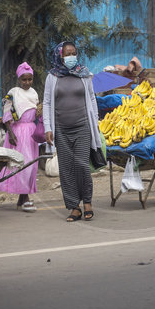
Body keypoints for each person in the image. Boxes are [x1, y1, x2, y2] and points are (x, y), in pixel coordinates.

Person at [43, 41, 101, 222]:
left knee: (82, 165)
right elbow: (47, 103)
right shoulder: (52, 77)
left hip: (83, 126)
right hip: (61, 129)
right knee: (66, 169)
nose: (71, 57)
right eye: (67, 54)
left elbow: (91, 98)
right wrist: (48, 128)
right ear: (60, 56)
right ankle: (74, 207)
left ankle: (88, 203)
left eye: (73, 53)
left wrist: (95, 123)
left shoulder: (84, 74)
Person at [0, 62, 41, 212]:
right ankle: (26, 198)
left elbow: (36, 112)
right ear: (19, 79)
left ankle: (22, 198)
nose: (27, 82)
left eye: (29, 79)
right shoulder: (13, 93)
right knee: (22, 165)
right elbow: (7, 115)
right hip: (18, 133)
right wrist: (11, 133)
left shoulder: (34, 93)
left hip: (31, 133)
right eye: (24, 79)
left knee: (32, 166)